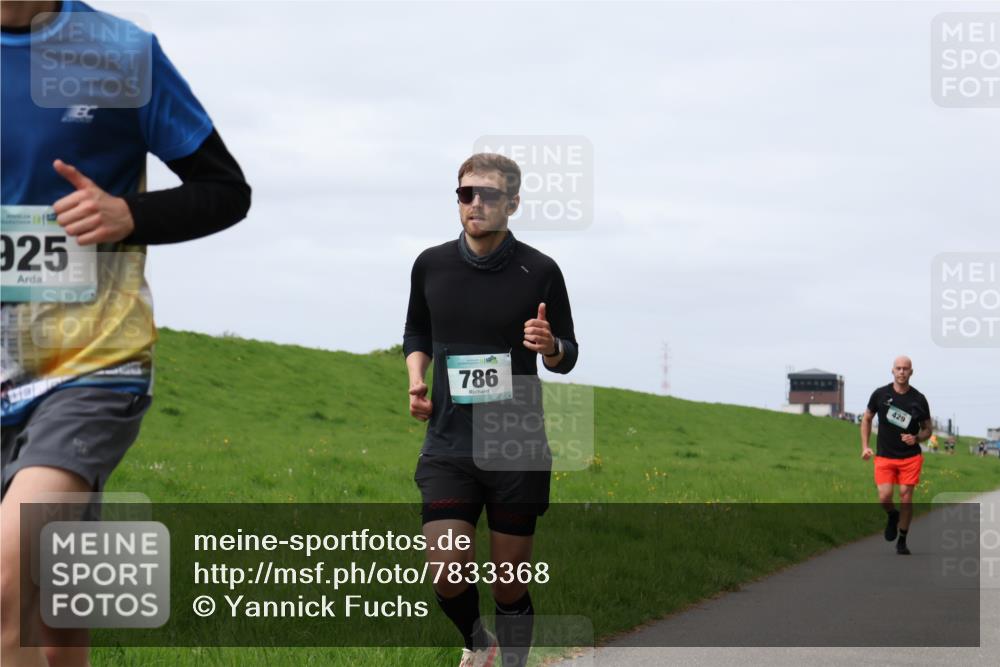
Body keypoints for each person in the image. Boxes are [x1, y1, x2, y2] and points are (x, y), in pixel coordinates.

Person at [1, 2, 250, 665]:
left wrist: (126, 213)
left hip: (91, 364)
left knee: (5, 591)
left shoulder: (120, 53)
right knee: (61, 621)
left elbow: (226, 189)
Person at [403, 153, 578, 667]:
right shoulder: (430, 264)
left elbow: (568, 353)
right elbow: (417, 331)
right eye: (466, 194)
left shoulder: (541, 271)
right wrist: (416, 378)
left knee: (508, 584)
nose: (475, 204)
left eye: (489, 195)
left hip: (515, 443)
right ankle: (478, 644)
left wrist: (549, 346)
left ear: (513, 203)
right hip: (448, 442)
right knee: (447, 572)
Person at [860, 356, 932, 556]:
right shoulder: (880, 394)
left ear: (911, 372)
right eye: (898, 368)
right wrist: (865, 446)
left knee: (906, 498)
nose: (902, 372)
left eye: (905, 369)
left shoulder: (918, 399)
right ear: (892, 371)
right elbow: (866, 419)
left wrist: (916, 438)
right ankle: (892, 515)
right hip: (885, 456)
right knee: (884, 497)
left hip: (910, 458)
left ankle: (902, 539)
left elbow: (928, 430)